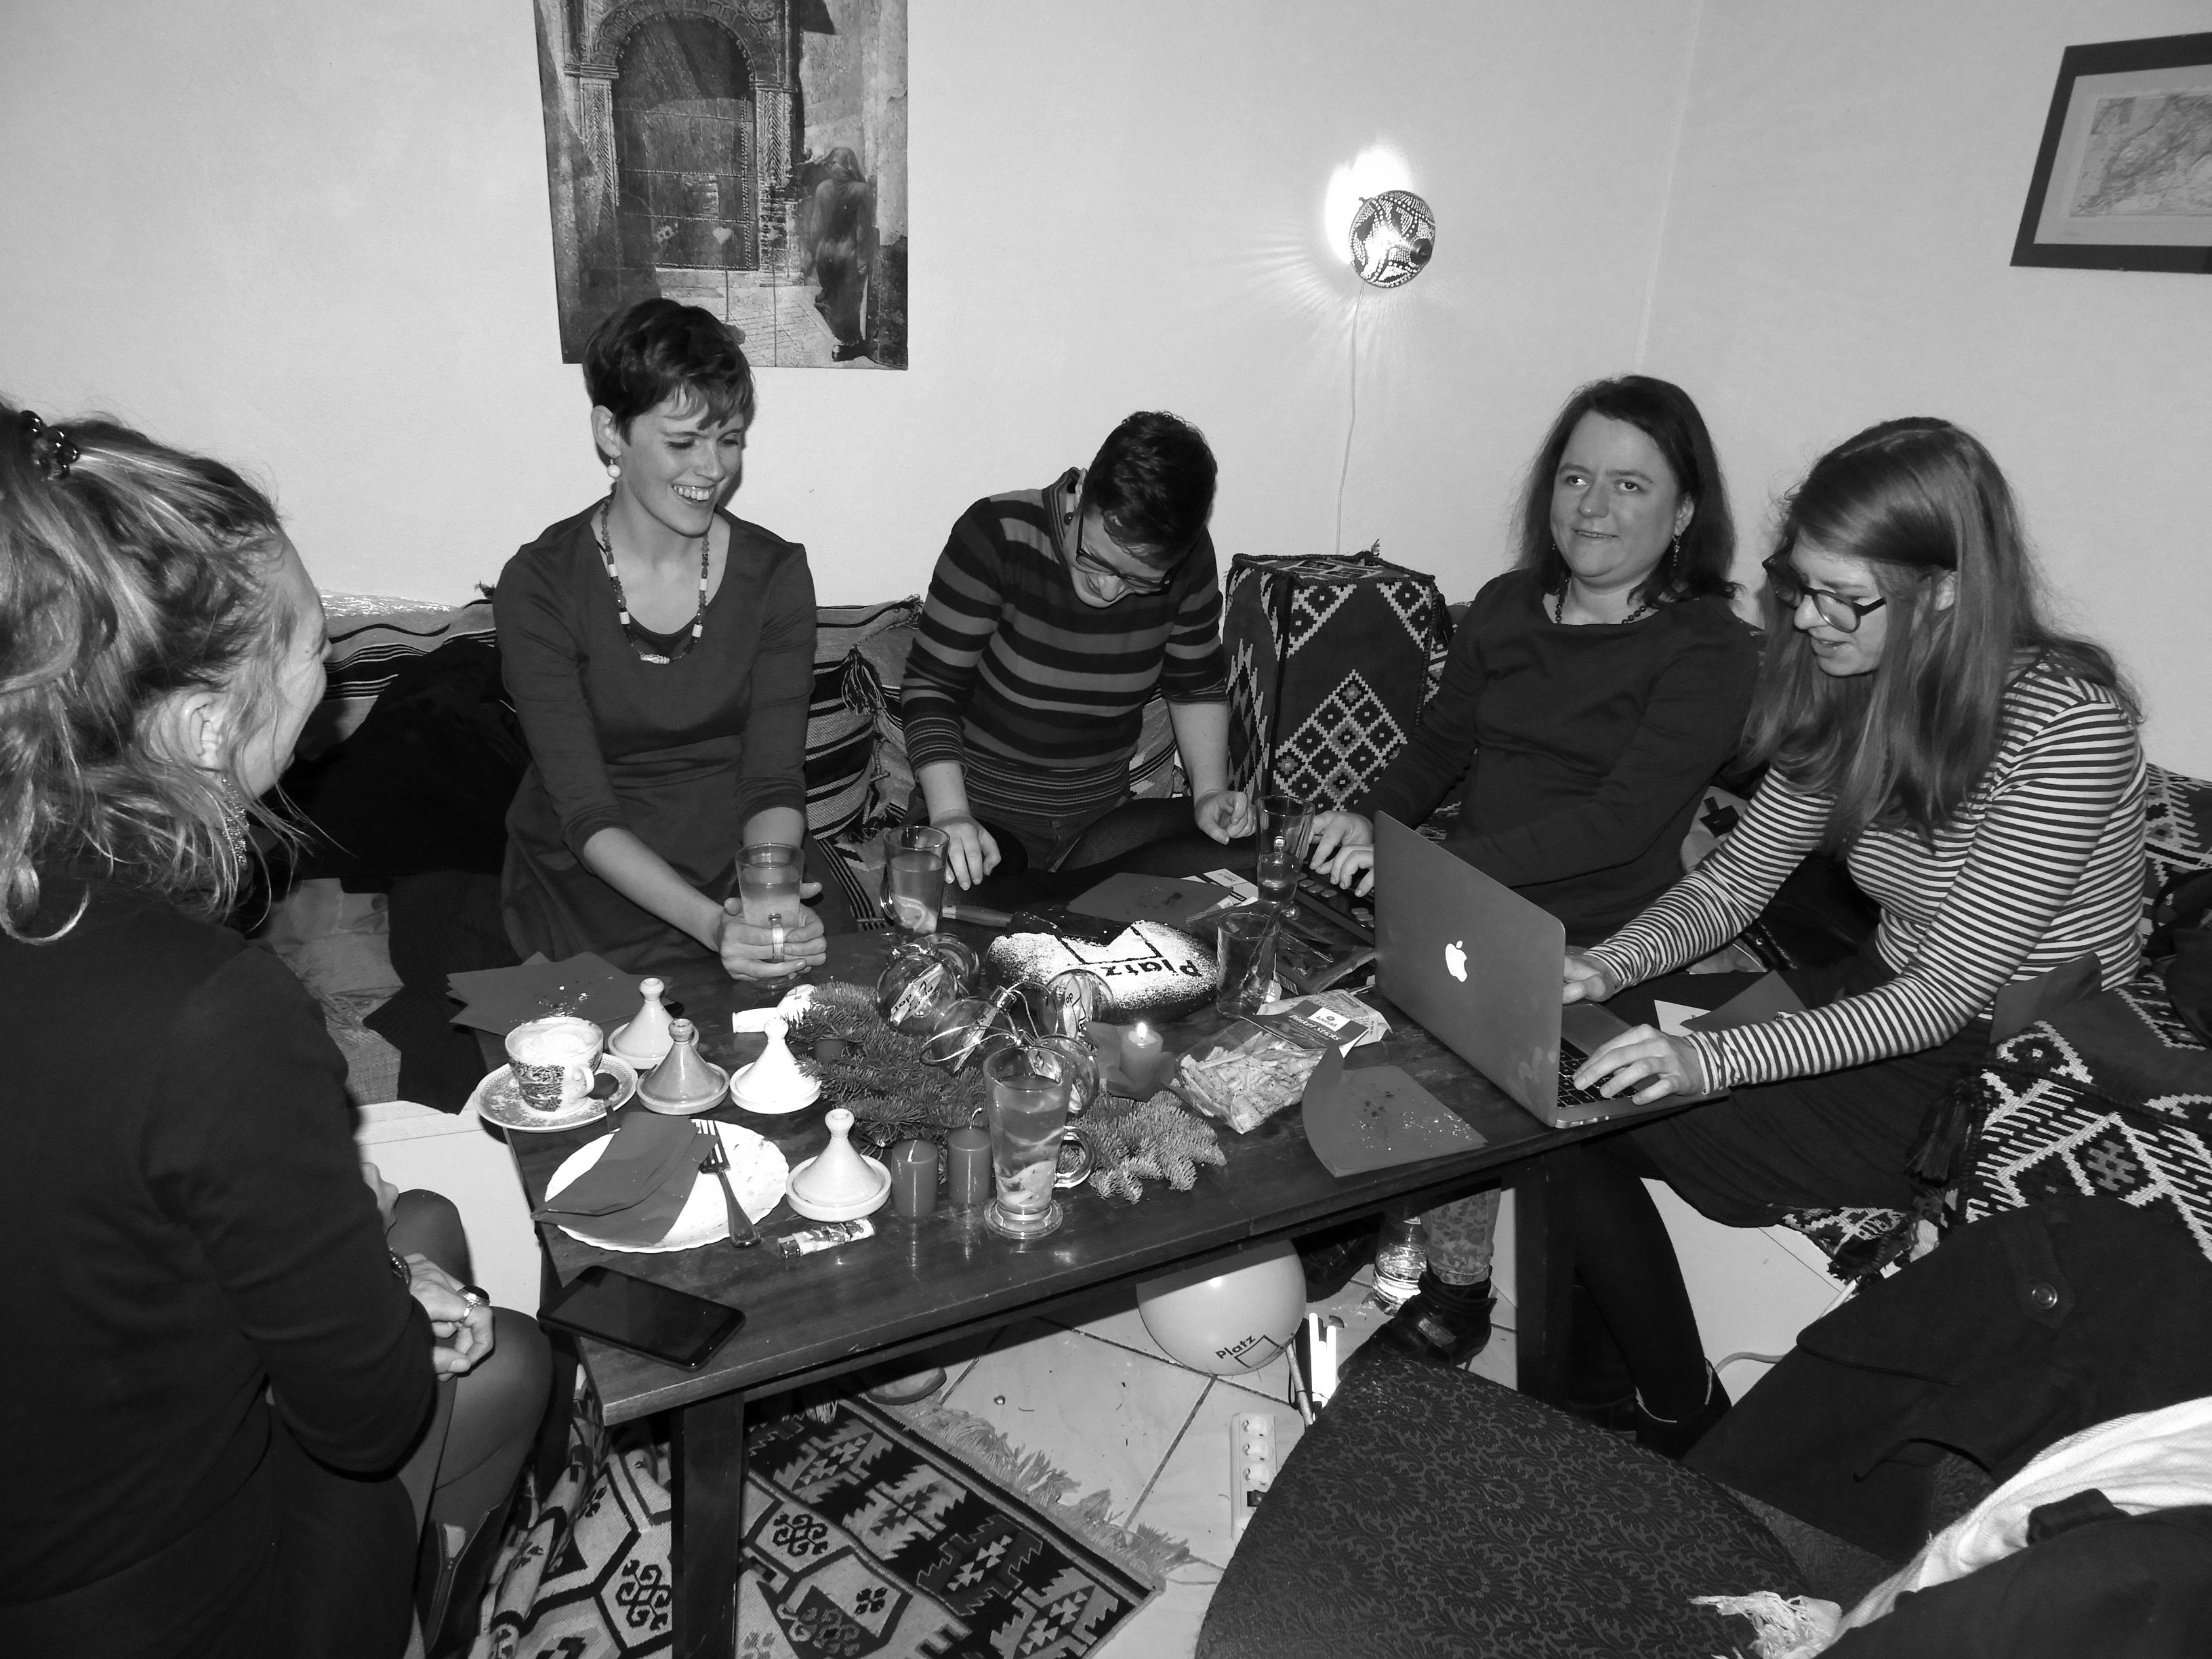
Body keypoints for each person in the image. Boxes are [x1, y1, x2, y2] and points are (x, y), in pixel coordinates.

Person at [0, 404, 522, 1656]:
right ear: (201, 727)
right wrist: (384, 1294)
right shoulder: (210, 1009)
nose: (329, 684)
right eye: (314, 649)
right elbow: (364, 1417)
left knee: (420, 1224)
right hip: (152, 1600)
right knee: (506, 1362)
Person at [1560, 417, 2145, 1456]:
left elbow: (1947, 995)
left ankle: (1672, 1419)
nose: (1807, 617)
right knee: (1556, 1056)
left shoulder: (2069, 729)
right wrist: (1604, 964)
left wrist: (1709, 1059)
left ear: (1947, 591)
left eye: (1844, 597)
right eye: (1799, 584)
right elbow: (1737, 880)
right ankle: (1607, 1398)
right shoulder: (1851, 678)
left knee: (1583, 1107)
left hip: (2006, 1067)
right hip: (1881, 988)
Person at [1307, 375, 1762, 1366]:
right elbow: (1440, 746)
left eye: (1630, 486)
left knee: (1462, 1059)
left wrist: (1429, 868)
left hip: (1592, 944)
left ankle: (1458, 1289)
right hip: (1462, 893)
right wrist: (1371, 820)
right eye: (1575, 477)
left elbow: (1619, 824)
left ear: (1686, 510)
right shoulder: (1509, 606)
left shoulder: (1711, 649)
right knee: (1325, 1004)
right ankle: (1357, 1208)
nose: (1592, 506)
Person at [499, 298, 846, 980]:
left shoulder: (775, 574)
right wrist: (714, 926)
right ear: (611, 432)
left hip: (744, 862)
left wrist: (768, 901)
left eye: (730, 440)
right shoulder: (540, 584)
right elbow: (585, 811)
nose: (712, 468)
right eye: (683, 442)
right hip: (595, 882)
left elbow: (772, 777)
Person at [899, 411, 1255, 895]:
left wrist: (1209, 792)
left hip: (1099, 826)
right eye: (1096, 559)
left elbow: (1195, 686)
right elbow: (931, 688)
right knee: (944, 899)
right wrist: (950, 815)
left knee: (1258, 859)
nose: (1108, 589)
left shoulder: (1187, 561)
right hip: (979, 817)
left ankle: (1066, 909)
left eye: (1139, 580)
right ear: (1084, 492)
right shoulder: (999, 534)